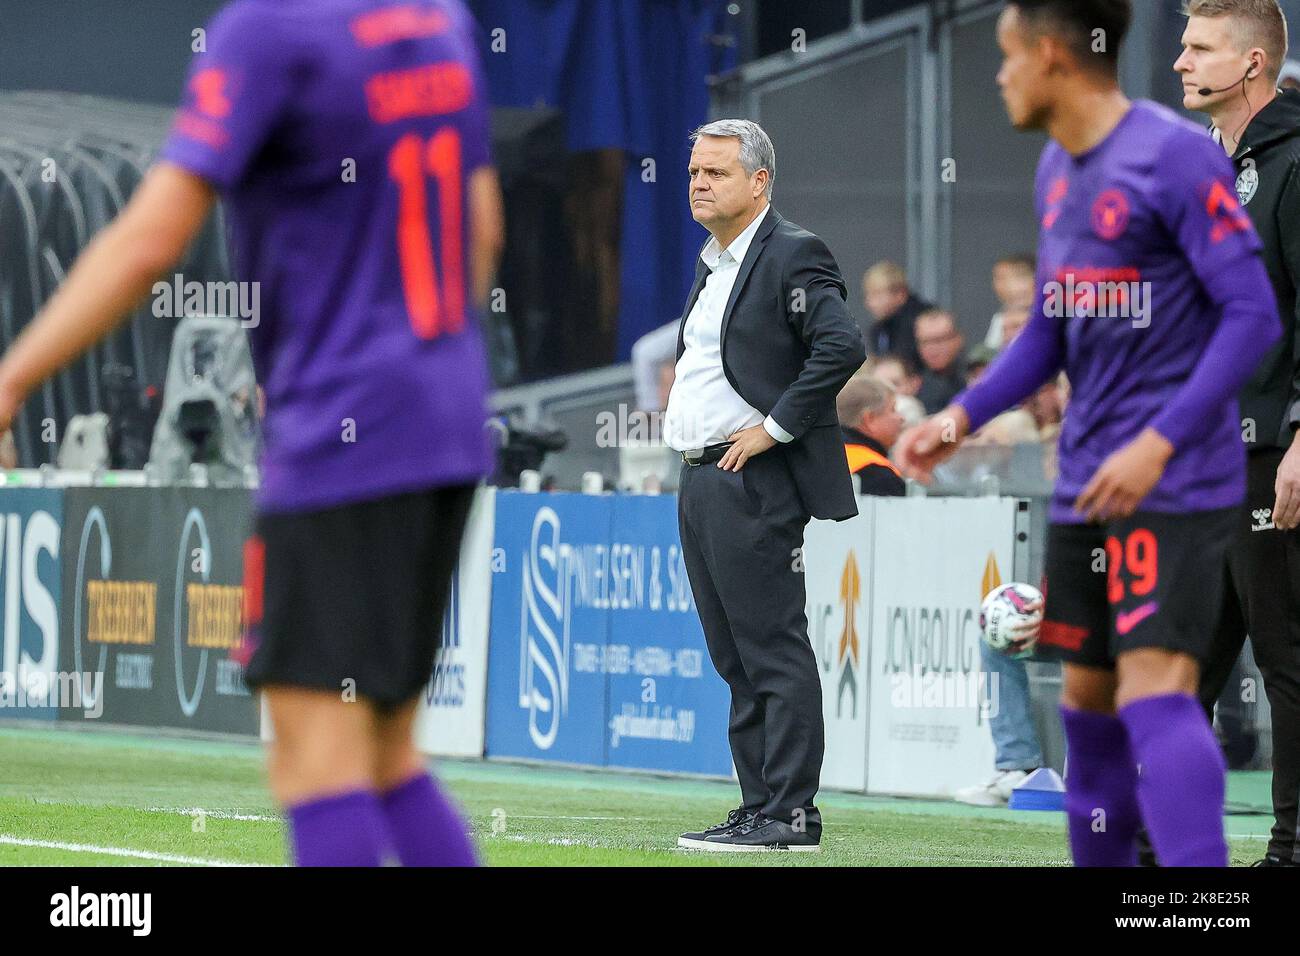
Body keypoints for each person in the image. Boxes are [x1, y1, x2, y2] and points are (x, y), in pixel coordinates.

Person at [0, 0, 504, 867]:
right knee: (388, 755)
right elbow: (482, 228)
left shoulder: (270, 29)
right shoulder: (436, 20)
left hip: (346, 435)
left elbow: (150, 242)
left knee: (316, 764)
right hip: (444, 418)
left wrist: (10, 380)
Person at [897, 0, 1280, 867]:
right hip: (1084, 484)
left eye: (1004, 58)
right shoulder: (1055, 171)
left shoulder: (1174, 157)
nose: (998, 78)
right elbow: (1048, 331)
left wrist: (1160, 443)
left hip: (1175, 481)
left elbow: (1253, 317)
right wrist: (960, 417)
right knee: (1087, 709)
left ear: (1049, 55)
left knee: (1157, 695)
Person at [664, 119, 865, 851]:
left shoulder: (793, 252)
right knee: (735, 655)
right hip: (702, 478)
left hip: (751, 476)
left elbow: (842, 344)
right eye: (692, 173)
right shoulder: (715, 260)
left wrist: (774, 428)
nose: (697, 184)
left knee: (772, 648)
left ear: (759, 182)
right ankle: (758, 807)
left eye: (714, 173)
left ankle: (790, 815)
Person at [1175, 0, 1300, 867]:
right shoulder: (1204, 169)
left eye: (1198, 46)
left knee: (1285, 655)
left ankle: (1292, 841)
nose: (1180, 61)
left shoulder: (1295, 162)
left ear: (1252, 62)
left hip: (1271, 453)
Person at [837, 376, 905, 496]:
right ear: (869, 419)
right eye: (893, 409)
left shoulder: (819, 455)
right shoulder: (879, 475)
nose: (901, 418)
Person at [861, 261, 930, 367]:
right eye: (868, 295)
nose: (870, 303)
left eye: (877, 295)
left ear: (900, 294)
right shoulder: (879, 329)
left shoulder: (921, 323)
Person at [914, 309, 967, 414]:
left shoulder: (980, 377)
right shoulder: (912, 385)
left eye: (939, 340)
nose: (932, 349)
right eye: (925, 342)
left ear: (958, 339)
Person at [984, 253, 1037, 348]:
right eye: (998, 279)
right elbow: (989, 354)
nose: (1001, 286)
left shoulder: (1054, 315)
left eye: (1020, 277)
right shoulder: (1000, 319)